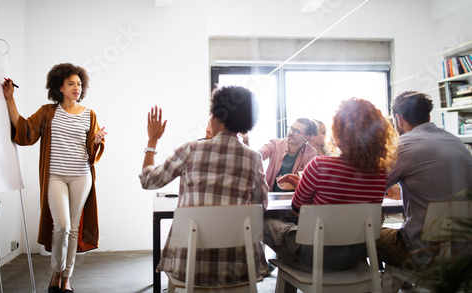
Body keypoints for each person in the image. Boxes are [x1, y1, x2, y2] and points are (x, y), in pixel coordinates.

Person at [139, 86, 269, 286]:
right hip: (238, 267)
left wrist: (152, 140)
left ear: (218, 118)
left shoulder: (190, 150)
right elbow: (261, 206)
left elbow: (148, 181)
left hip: (189, 266)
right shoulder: (254, 158)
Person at [264, 98, 397, 280]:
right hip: (354, 256)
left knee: (263, 221)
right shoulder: (380, 173)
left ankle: (264, 269)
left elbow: (296, 210)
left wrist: (304, 187)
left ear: (338, 132)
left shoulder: (319, 165)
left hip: (313, 256)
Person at [2, 63, 106, 293]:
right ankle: (56, 272)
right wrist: (10, 99)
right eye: (71, 84)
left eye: (79, 84)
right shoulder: (48, 112)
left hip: (81, 176)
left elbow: (91, 151)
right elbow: (25, 130)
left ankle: (66, 278)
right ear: (59, 87)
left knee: (74, 229)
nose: (76, 88)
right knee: (62, 226)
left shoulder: (90, 114)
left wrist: (96, 142)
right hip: (55, 176)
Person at [376, 90, 472, 288]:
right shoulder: (458, 143)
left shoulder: (402, 145)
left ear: (399, 120)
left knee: (364, 236)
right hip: (465, 254)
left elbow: (367, 190)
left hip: (425, 254)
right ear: (428, 117)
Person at [259, 118, 317, 192]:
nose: (290, 133)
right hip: (272, 196)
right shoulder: (275, 144)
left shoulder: (310, 152)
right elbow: (257, 156)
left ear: (306, 137)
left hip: (294, 198)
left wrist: (293, 185)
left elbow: (308, 180)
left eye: (296, 131)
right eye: (291, 128)